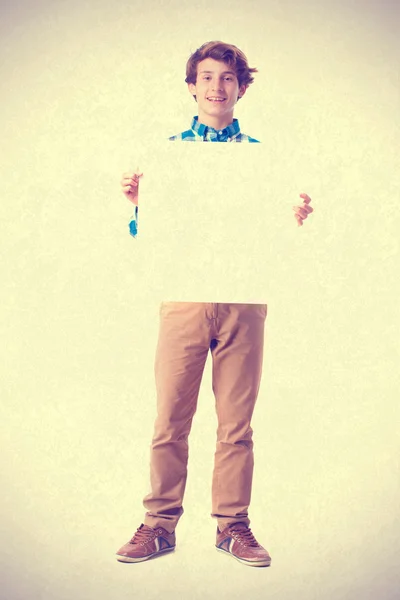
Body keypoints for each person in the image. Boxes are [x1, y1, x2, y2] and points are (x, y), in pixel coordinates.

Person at [116, 41, 313, 568]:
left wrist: (292, 220)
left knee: (236, 423)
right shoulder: (166, 154)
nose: (215, 87)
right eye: (206, 77)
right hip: (183, 295)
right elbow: (146, 237)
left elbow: (275, 236)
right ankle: (158, 525)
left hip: (244, 298)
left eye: (227, 78)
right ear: (191, 86)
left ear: (241, 87)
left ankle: (233, 526)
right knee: (169, 418)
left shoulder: (262, 156)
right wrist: (141, 207)